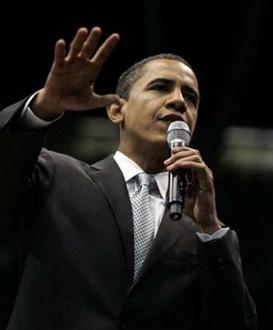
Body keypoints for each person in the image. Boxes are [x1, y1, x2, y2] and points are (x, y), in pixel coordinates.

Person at [0, 26, 257, 330]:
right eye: (160, 87)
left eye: (191, 98)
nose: (178, 102)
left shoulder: (203, 231)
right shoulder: (56, 176)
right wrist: (43, 107)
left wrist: (211, 229)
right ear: (115, 110)